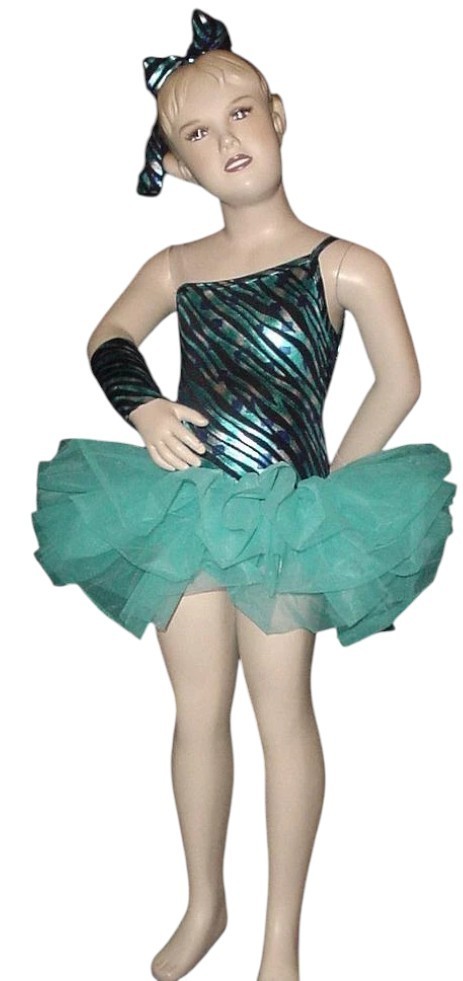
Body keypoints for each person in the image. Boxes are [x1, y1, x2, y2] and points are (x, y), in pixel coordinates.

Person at [31, 10, 456, 981]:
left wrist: (333, 489)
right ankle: (203, 903)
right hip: (184, 512)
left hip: (287, 513)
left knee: (282, 714)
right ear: (177, 167)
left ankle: (280, 938)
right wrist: (143, 409)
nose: (226, 140)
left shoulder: (346, 264)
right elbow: (108, 337)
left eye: (240, 113)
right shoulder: (177, 268)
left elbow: (399, 380)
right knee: (195, 711)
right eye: (196, 133)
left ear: (278, 114)